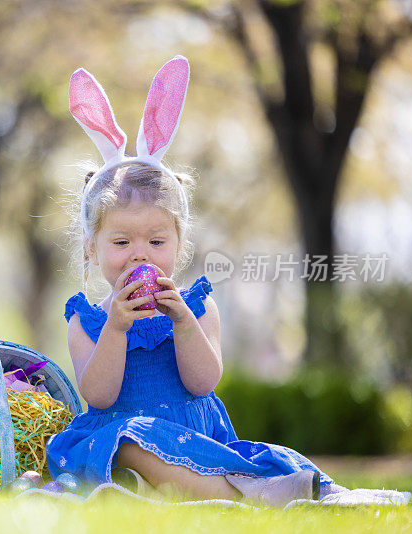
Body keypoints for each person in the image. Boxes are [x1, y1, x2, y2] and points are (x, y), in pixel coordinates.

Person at [45, 56, 345, 506]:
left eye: (157, 240)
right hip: (122, 442)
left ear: (179, 245)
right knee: (127, 442)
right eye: (122, 240)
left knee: (174, 454)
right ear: (92, 248)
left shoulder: (198, 306)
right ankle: (241, 497)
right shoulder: (86, 320)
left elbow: (204, 381)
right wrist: (117, 329)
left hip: (192, 440)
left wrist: (183, 323)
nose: (140, 253)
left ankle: (229, 488)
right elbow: (100, 396)